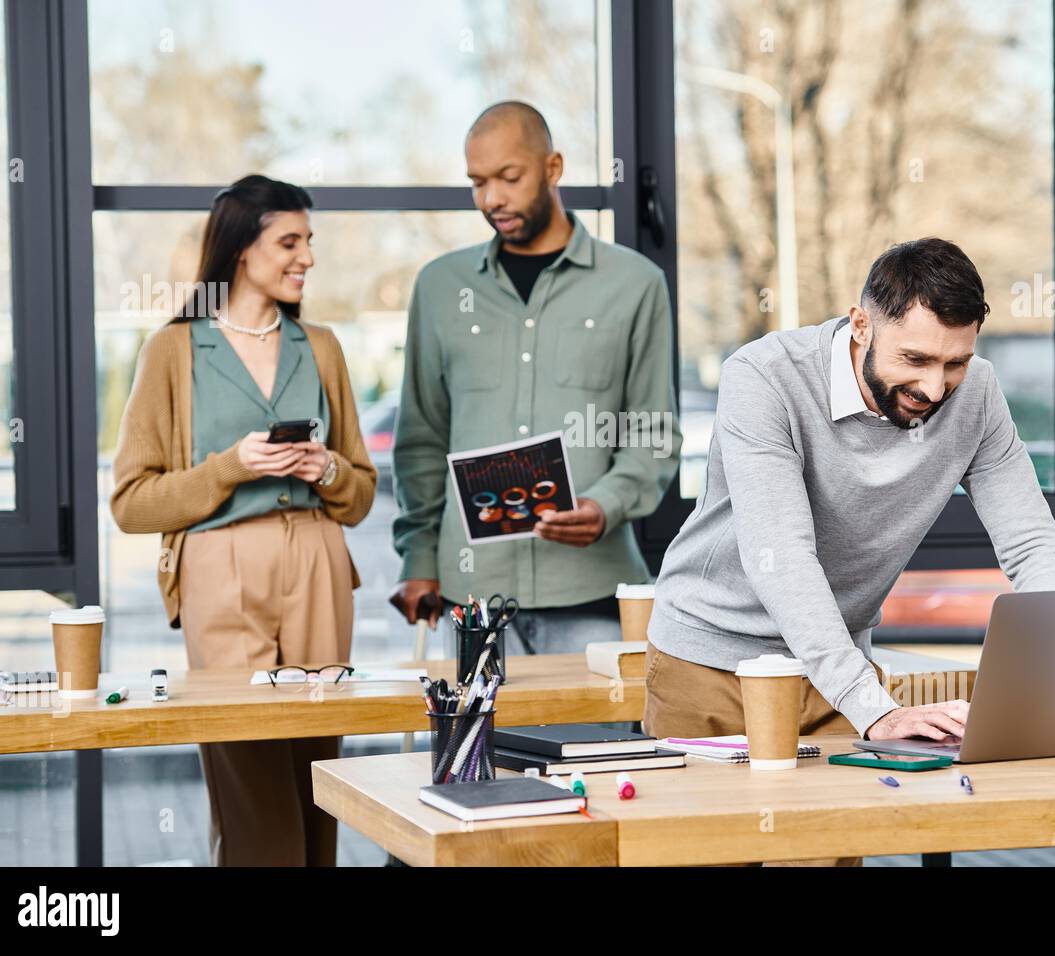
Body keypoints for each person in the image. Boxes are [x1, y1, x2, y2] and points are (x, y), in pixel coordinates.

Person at [646, 237, 1055, 745]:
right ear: (860, 324)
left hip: (841, 672)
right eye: (914, 358)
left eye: (954, 362)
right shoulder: (764, 377)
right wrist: (871, 706)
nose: (934, 389)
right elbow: (780, 555)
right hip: (711, 665)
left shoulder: (976, 392)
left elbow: (1031, 541)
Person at [110, 174, 377, 866]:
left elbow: (361, 493)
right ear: (239, 250)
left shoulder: (320, 346)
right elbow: (132, 503)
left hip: (318, 562)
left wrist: (326, 470)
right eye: (289, 241)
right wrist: (231, 465)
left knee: (319, 777)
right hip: (219, 570)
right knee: (251, 785)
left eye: (309, 241)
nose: (307, 258)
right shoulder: (173, 351)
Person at [390, 101, 680, 654]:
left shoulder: (635, 284)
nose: (491, 198)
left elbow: (652, 433)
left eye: (509, 177)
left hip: (593, 595)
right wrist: (418, 559)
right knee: (477, 745)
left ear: (553, 168)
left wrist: (605, 504)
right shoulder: (439, 288)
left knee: (598, 744)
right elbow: (421, 439)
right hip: (470, 598)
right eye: (477, 182)